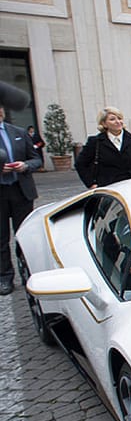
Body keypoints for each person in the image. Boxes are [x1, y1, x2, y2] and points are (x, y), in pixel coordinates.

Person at [0, 105, 41, 295]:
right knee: (1, 239)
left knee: (24, 235)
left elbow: (36, 159)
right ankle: (5, 278)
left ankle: (29, 273)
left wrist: (25, 165)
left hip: (21, 191)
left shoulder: (18, 132)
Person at [75, 107, 131, 189]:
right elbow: (80, 164)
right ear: (104, 124)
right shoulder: (96, 142)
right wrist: (91, 184)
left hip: (130, 187)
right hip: (107, 189)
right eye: (112, 119)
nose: (118, 122)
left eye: (119, 118)